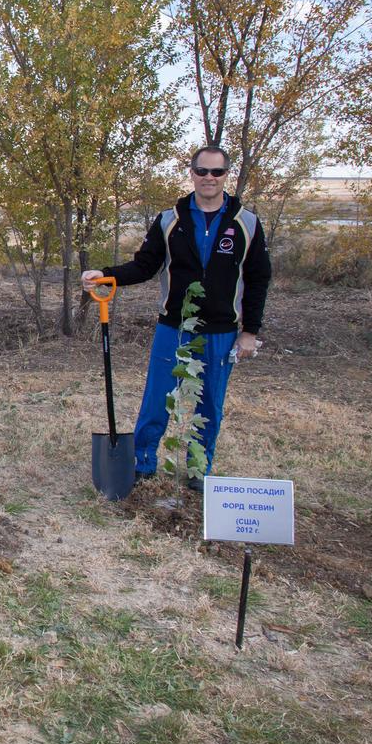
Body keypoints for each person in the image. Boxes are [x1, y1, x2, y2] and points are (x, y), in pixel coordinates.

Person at [81, 145, 271, 492]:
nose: (209, 178)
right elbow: (144, 265)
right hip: (174, 327)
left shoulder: (246, 223)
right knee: (156, 399)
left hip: (221, 332)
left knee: (209, 403)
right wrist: (106, 275)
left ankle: (199, 469)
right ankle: (142, 463)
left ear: (227, 175)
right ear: (192, 173)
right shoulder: (171, 219)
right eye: (202, 171)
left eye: (217, 172)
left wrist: (250, 332)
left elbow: (258, 279)